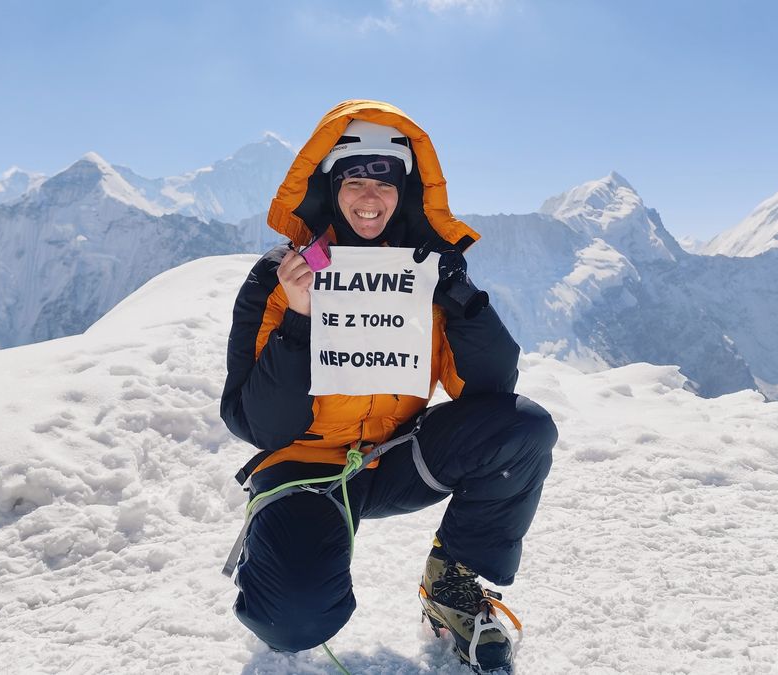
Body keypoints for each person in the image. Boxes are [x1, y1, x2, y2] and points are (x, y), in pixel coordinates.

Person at [220, 100, 557, 673]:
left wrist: (463, 300)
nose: (370, 197)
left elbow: (491, 389)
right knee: (292, 624)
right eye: (354, 178)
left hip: (394, 454)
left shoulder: (424, 273)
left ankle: (450, 584)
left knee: (522, 429)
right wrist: (301, 319)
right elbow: (261, 426)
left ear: (406, 192)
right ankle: (280, 551)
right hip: (303, 468)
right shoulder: (279, 278)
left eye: (387, 181)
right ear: (331, 186)